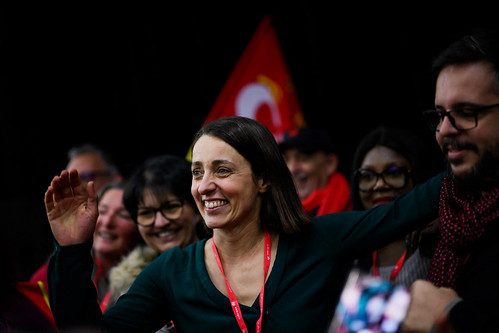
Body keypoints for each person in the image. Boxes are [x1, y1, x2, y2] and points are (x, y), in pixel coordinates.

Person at [45, 116, 444, 332]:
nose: (205, 186)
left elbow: (414, 206)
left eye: (222, 170)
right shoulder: (171, 273)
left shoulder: (320, 239)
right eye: (198, 172)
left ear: (263, 179)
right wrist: (73, 248)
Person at [402, 29, 499, 333]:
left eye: (467, 112)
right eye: (441, 115)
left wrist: (452, 318)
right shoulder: (449, 218)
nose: (445, 130)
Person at [107, 154, 209, 312]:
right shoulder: (127, 286)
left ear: (197, 209)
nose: (161, 223)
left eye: (171, 207)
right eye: (146, 213)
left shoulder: (228, 271)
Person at [31, 181, 141, 313]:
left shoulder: (150, 279)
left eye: (123, 215)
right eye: (102, 211)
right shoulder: (58, 270)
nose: (107, 222)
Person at [351, 126, 440, 287]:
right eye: (367, 176)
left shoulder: (439, 238)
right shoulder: (349, 250)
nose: (379, 185)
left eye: (393, 172)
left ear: (417, 174)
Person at [278, 127, 352, 217]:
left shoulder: (357, 206)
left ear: (330, 164)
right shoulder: (274, 216)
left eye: (303, 158)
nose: (291, 169)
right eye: (285, 159)